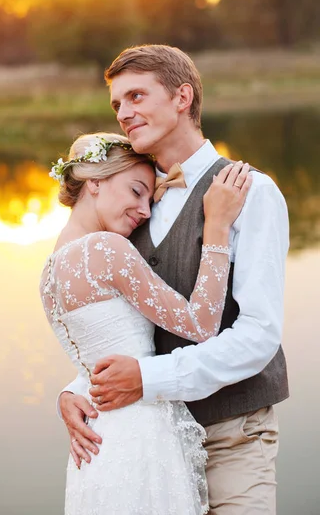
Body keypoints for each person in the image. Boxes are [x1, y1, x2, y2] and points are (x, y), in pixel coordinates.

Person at [58, 45, 290, 515]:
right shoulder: (129, 203)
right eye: (117, 104)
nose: (124, 113)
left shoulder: (251, 192)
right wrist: (76, 390)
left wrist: (146, 378)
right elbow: (117, 322)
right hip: (150, 446)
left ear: (182, 97)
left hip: (233, 437)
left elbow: (258, 336)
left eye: (136, 96)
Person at [41, 131, 251, 515]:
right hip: (140, 435)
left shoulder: (49, 274)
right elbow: (201, 323)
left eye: (149, 198)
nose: (145, 210)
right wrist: (217, 226)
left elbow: (92, 361)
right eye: (136, 191)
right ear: (96, 182)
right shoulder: (107, 249)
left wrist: (66, 397)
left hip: (97, 447)